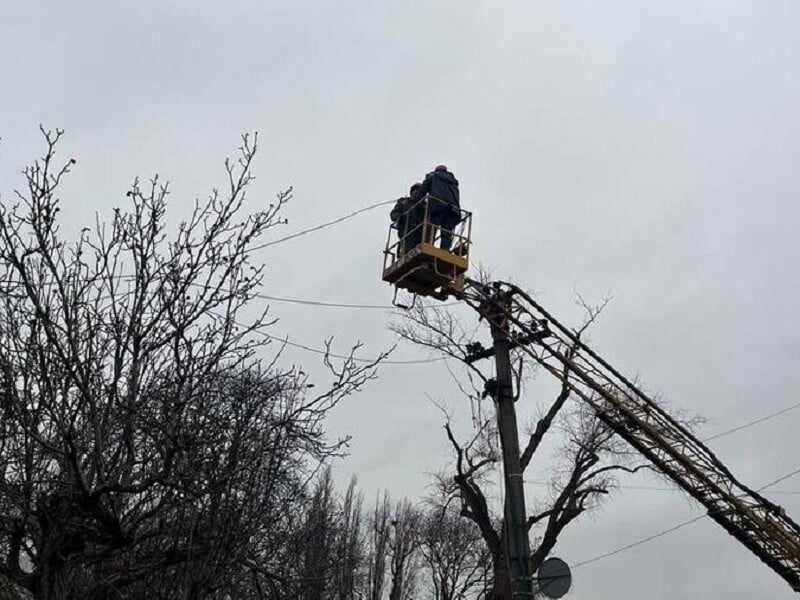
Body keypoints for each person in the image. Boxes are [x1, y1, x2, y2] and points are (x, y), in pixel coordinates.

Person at [419, 165, 460, 250]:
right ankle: (445, 250)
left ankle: (428, 246)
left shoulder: (433, 176)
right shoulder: (453, 182)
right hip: (452, 210)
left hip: (437, 207)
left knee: (431, 229)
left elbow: (422, 191)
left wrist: (415, 200)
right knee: (447, 233)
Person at [390, 183, 424, 255]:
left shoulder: (424, 205)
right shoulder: (403, 202)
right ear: (411, 192)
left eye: (418, 190)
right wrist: (399, 217)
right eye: (414, 190)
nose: (416, 192)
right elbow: (394, 213)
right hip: (406, 232)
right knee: (406, 250)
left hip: (419, 234)